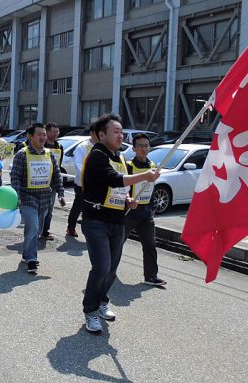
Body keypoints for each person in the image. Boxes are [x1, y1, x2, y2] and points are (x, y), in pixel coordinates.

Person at [81, 114, 160, 333]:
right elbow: (112, 179)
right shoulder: (97, 155)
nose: (120, 135)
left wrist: (127, 199)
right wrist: (145, 176)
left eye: (121, 131)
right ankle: (90, 311)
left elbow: (118, 188)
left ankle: (102, 301)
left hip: (118, 220)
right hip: (96, 220)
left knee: (112, 267)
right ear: (101, 134)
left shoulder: (120, 158)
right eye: (115, 131)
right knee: (102, 266)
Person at [10, 123, 66, 274]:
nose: (42, 137)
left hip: (45, 198)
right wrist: (16, 197)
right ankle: (31, 258)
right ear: (30, 136)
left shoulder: (50, 154)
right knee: (33, 227)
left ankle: (26, 252)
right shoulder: (21, 155)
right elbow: (15, 177)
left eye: (44, 134)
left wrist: (60, 193)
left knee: (38, 229)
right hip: (27, 197)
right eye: (39, 134)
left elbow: (57, 175)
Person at [125, 134, 167, 287]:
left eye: (146, 146)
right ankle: (107, 271)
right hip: (129, 211)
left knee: (150, 244)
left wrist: (153, 207)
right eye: (140, 146)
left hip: (146, 211)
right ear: (134, 148)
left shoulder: (153, 165)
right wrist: (126, 201)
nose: (144, 149)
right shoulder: (128, 165)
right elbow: (121, 188)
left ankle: (151, 276)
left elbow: (152, 187)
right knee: (117, 243)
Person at [67, 123, 98, 238]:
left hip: (98, 185)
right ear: (91, 133)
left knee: (93, 207)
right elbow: (78, 165)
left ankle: (91, 230)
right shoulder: (82, 147)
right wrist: (89, 178)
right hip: (82, 184)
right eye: (97, 132)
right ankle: (71, 227)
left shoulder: (103, 146)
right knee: (78, 206)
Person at [40, 122, 64, 241]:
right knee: (39, 208)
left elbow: (58, 165)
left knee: (49, 208)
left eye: (57, 132)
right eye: (53, 132)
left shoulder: (59, 146)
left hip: (52, 183)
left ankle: (45, 231)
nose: (55, 134)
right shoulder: (41, 145)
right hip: (39, 181)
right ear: (47, 132)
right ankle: (36, 229)